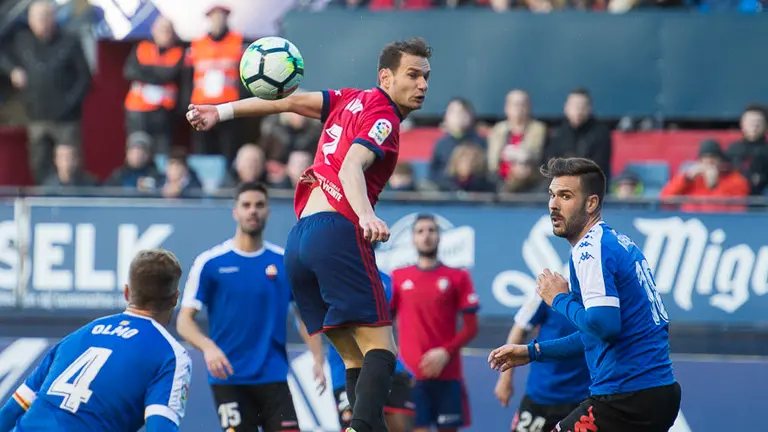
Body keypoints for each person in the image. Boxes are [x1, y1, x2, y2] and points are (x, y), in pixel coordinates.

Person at [186, 37, 432, 432]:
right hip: (338, 233)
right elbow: (353, 167)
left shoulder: (348, 98)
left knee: (356, 358)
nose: (421, 84)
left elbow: (285, 101)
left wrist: (222, 110)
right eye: (412, 75)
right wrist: (367, 215)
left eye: (425, 77)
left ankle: (363, 424)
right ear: (385, 77)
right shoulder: (383, 116)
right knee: (383, 350)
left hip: (300, 242)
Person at [489, 157, 682, 432]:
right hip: (655, 391)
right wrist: (533, 352)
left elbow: (605, 327)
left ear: (591, 203)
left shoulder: (589, 250)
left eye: (565, 196)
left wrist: (558, 299)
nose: (553, 204)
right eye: (552, 195)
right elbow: (594, 332)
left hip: (626, 395)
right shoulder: (616, 242)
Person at [176, 182, 326, 432]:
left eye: (259, 205)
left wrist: (318, 359)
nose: (252, 211)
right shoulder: (210, 262)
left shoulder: (285, 262)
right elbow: (184, 321)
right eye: (246, 205)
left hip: (274, 377)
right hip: (228, 378)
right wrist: (208, 348)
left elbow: (305, 315)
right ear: (236, 212)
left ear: (268, 211)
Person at [0, 249, 191, 432]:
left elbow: (12, 410)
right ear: (175, 298)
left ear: (126, 292)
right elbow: (160, 427)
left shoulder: (79, 335)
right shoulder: (171, 355)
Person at [390, 214, 479, 432]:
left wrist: (445, 352)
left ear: (439, 237)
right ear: (412, 239)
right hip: (411, 377)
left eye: (431, 230)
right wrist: (395, 359)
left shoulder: (458, 276)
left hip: (448, 375)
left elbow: (471, 327)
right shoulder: (399, 277)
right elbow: (384, 322)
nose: (426, 236)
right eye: (420, 231)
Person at [328, 270, 415, 432]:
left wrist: (403, 367)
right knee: (358, 427)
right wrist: (318, 360)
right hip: (347, 369)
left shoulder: (386, 280)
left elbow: (391, 323)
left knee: (400, 427)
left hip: (389, 368)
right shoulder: (330, 274)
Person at [494, 294, 590, 432]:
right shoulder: (548, 288)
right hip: (541, 395)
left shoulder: (599, 294)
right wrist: (505, 379)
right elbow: (519, 329)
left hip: (582, 398)